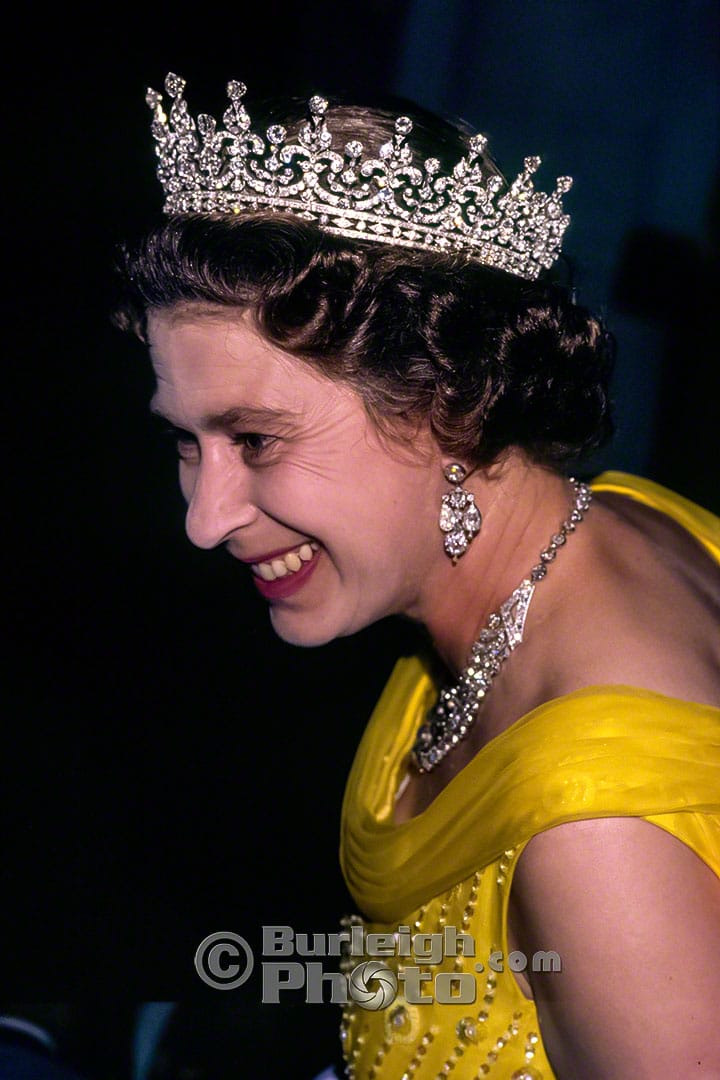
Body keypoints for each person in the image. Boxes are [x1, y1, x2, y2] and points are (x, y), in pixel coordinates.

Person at [113, 73, 720, 1078]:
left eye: (256, 439)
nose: (204, 518)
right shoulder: (617, 516)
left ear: (452, 402)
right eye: (187, 441)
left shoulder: (598, 846)